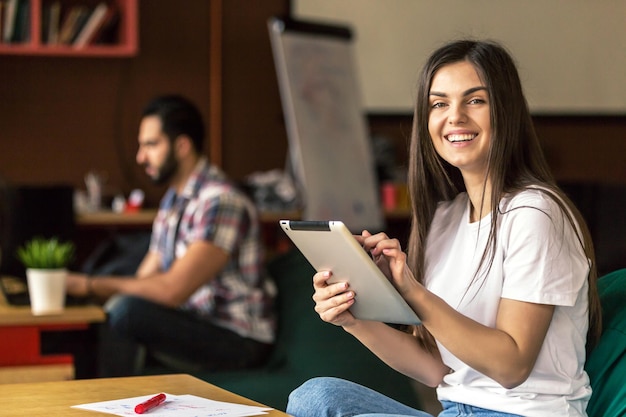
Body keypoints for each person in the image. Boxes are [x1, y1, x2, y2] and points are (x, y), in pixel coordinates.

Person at [286, 40, 602, 417]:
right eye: (439, 103)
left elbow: (511, 365)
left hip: (525, 413)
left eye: (475, 101)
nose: (454, 117)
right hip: (455, 410)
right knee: (314, 397)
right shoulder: (445, 218)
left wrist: (413, 293)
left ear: (507, 112)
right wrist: (353, 319)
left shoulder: (535, 213)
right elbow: (435, 368)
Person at [66, 94, 276, 376]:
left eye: (151, 145)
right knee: (116, 308)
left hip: (237, 337)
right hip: (195, 321)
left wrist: (88, 285)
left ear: (182, 146)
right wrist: (88, 294)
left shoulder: (221, 202)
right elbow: (144, 280)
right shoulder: (173, 200)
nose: (141, 157)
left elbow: (172, 290)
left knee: (126, 310)